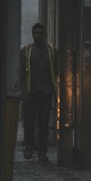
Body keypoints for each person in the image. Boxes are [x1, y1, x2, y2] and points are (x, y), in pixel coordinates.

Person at [20, 21, 58, 162]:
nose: (38, 35)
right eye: (36, 33)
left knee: (44, 123)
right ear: (32, 34)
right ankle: (29, 146)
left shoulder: (52, 51)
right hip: (31, 92)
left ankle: (43, 151)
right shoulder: (26, 51)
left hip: (46, 92)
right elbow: (22, 73)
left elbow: (55, 70)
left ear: (44, 34)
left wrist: (55, 90)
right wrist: (24, 91)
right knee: (29, 122)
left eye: (40, 33)